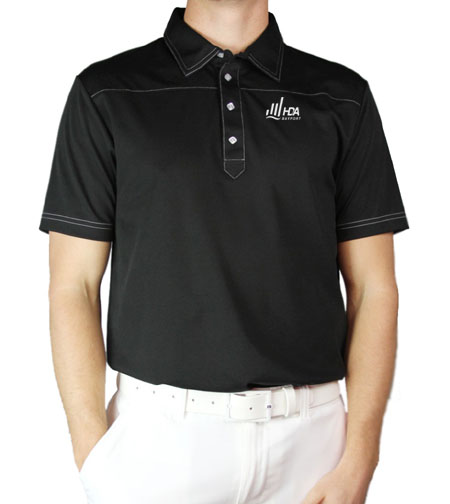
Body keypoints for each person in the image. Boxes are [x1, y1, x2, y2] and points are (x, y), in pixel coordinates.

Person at [38, 1, 409, 503]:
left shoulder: (341, 96)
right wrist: (94, 457)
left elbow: (374, 288)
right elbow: (73, 286)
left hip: (312, 445)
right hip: (159, 443)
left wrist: (361, 458)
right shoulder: (106, 92)